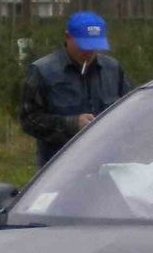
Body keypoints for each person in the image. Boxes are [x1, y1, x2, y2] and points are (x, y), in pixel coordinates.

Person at [19, 11, 131, 166]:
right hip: (59, 169)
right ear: (68, 37)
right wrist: (71, 124)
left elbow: (129, 112)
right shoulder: (43, 72)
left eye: (95, 46)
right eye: (84, 45)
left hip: (107, 166)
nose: (89, 52)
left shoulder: (112, 69)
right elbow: (29, 120)